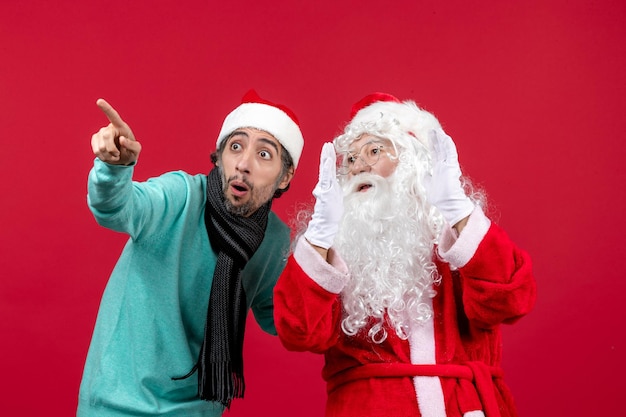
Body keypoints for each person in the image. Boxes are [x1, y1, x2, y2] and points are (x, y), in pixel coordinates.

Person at [273, 93, 536, 417]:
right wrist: (320, 235)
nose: (359, 167)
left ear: (413, 160)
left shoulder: (457, 237)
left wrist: (458, 210)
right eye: (351, 160)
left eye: (374, 151)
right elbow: (298, 331)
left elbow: (511, 300)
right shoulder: (335, 252)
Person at [78, 90, 304, 416]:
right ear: (219, 155)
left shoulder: (274, 241)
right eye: (235, 146)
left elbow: (284, 322)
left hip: (197, 410)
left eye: (264, 154)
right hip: (117, 403)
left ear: (285, 176)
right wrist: (115, 167)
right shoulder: (180, 197)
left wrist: (321, 262)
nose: (243, 164)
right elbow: (115, 208)